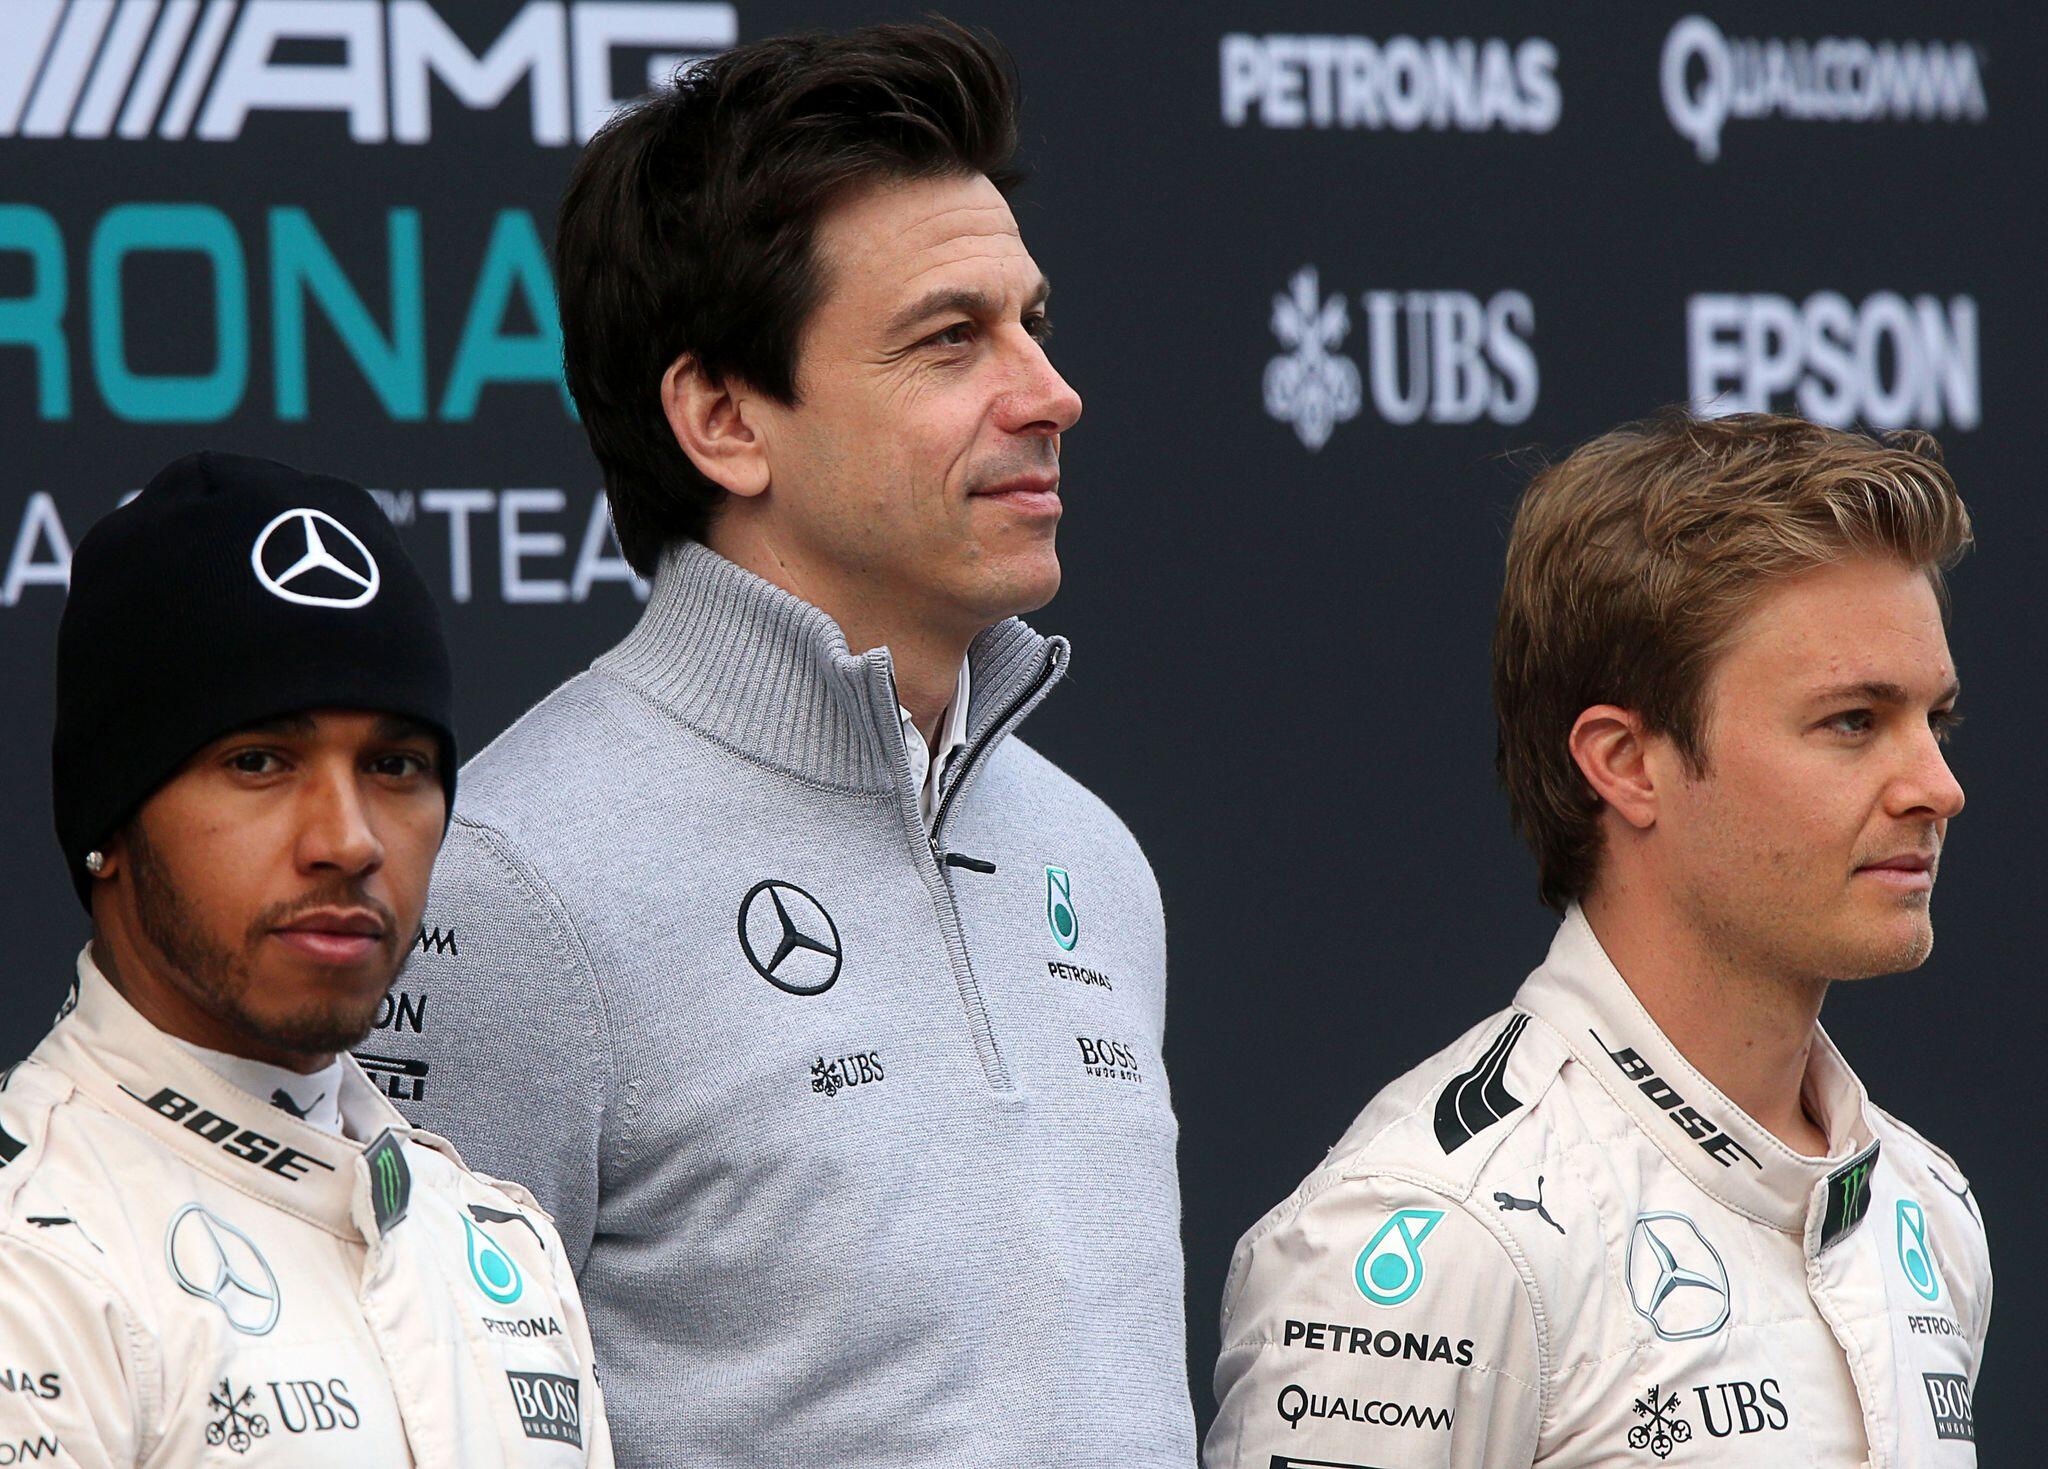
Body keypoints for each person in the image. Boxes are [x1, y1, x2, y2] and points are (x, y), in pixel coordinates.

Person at [384, 21, 1193, 1467]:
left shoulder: (1091, 856)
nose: (1049, 393)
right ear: (722, 417)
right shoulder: (507, 885)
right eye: (951, 339)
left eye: (1032, 322)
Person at [1205, 412, 1990, 1466]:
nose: (1937, 785)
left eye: (1936, 721)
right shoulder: (1433, 1229)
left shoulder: (1922, 1205)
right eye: (1852, 721)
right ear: (1624, 763)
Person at [0, 452, 613, 1466]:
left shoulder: (500, 1243)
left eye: (395, 764)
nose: (350, 837)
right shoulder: (33, 1257)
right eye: (259, 761)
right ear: (111, 819)